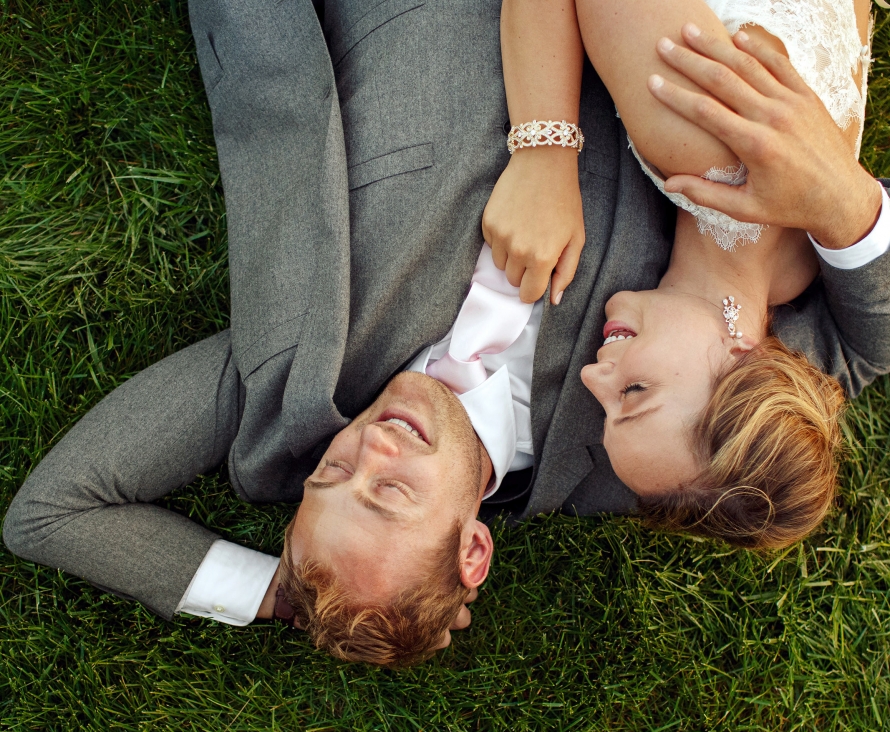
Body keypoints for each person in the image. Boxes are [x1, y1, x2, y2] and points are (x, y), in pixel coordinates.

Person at [4, 0, 888, 666]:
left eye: (332, 475)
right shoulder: (658, 443)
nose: (370, 449)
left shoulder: (291, 382)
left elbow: (48, 514)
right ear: (473, 548)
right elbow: (861, 354)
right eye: (390, 494)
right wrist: (844, 202)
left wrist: (295, 589)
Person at [484, 0, 890, 547]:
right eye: (634, 391)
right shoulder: (696, 141)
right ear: (740, 353)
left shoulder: (801, 267)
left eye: (606, 409)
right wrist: (544, 153)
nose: (593, 379)